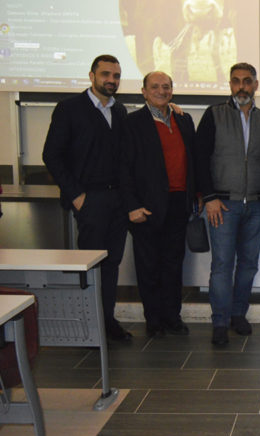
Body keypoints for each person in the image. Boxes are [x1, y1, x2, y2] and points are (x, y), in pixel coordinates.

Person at [42, 55, 131, 341]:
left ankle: (107, 322)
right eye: (106, 74)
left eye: (116, 76)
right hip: (89, 200)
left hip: (117, 200)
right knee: (91, 266)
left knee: (112, 263)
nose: (111, 80)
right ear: (92, 76)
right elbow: (51, 155)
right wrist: (77, 196)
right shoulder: (70, 108)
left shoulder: (119, 110)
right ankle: (90, 329)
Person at [195, 62, 260, 345]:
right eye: (237, 81)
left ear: (255, 85)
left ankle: (238, 314)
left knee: (249, 264)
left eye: (247, 81)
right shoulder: (214, 114)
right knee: (222, 265)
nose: (242, 86)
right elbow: (199, 157)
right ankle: (220, 321)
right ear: (230, 84)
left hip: (259, 204)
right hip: (223, 204)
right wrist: (209, 197)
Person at [120, 71, 197, 338]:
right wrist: (132, 206)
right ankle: (153, 320)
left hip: (178, 204)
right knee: (149, 267)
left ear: (172, 91)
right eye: (155, 87)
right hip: (147, 207)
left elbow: (193, 160)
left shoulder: (184, 120)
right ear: (144, 91)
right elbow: (123, 169)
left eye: (166, 87)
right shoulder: (132, 123)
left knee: (173, 266)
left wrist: (195, 196)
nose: (161, 91)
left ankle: (172, 317)